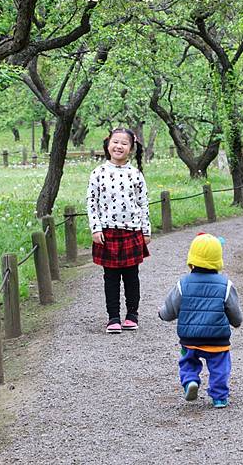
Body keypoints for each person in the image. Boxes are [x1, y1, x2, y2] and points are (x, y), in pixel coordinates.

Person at [158, 233, 242, 408]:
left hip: (190, 340)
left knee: (188, 362)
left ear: (192, 258)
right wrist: (236, 322)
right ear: (218, 259)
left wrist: (162, 314)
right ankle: (219, 397)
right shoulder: (225, 285)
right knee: (220, 367)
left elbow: (171, 307)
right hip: (217, 340)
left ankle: (190, 381)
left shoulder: (183, 283)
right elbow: (234, 311)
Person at [87, 127, 151, 334]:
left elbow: (143, 204)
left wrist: (146, 230)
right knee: (111, 277)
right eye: (115, 142)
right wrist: (96, 228)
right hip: (107, 233)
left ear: (131, 149)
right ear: (107, 144)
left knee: (132, 276)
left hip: (132, 232)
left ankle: (132, 314)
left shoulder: (136, 174)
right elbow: (91, 203)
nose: (119, 146)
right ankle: (113, 317)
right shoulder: (98, 173)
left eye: (124, 143)